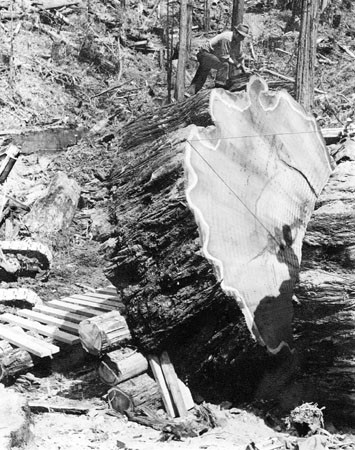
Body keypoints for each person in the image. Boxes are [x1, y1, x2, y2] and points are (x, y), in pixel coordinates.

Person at [187, 23, 250, 96]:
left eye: (243, 37)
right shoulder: (227, 38)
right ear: (236, 33)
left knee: (201, 76)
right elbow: (225, 57)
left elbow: (240, 56)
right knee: (224, 65)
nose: (242, 38)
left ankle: (189, 93)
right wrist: (236, 64)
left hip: (213, 56)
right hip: (204, 54)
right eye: (241, 36)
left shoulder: (238, 42)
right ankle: (219, 88)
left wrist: (243, 67)